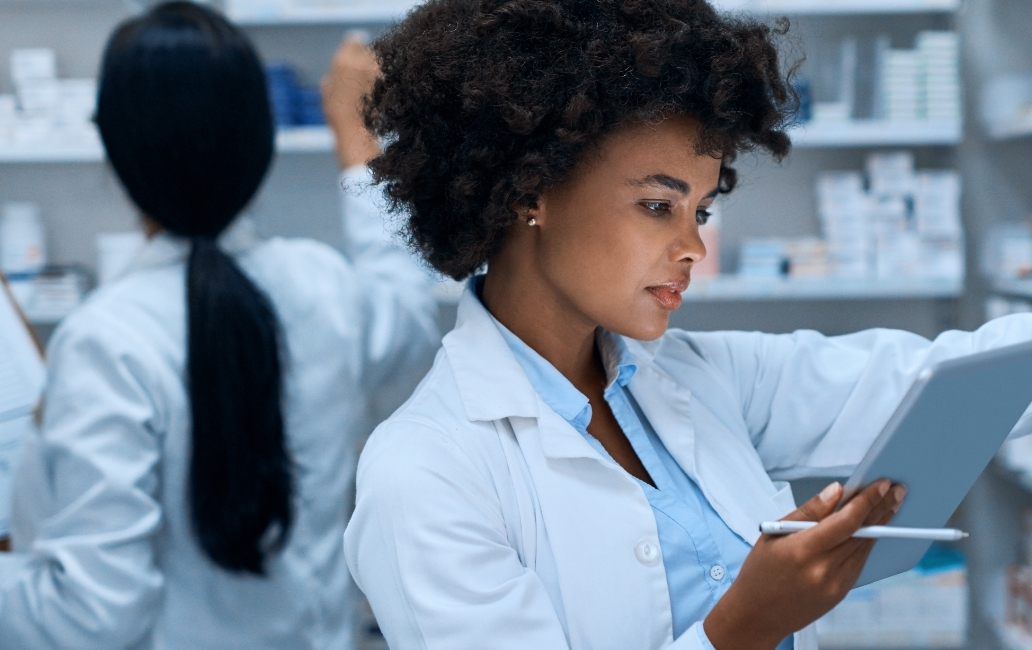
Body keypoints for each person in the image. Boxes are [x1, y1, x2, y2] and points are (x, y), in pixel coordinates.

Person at [343, 1, 1032, 649]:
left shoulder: (693, 377)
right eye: (655, 206)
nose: (693, 250)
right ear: (529, 189)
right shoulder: (424, 472)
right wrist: (742, 627)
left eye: (699, 210)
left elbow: (936, 378)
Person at [0, 3, 439, 648]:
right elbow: (409, 307)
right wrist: (356, 135)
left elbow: (92, 614)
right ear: (256, 141)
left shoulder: (108, 339)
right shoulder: (322, 287)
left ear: (117, 149)